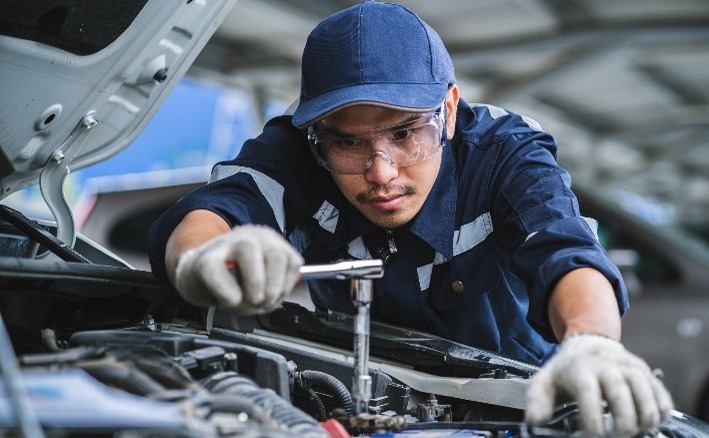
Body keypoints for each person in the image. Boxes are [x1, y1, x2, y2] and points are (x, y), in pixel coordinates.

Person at [147, 1, 672, 436]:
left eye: (404, 133)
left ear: (448, 108)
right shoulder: (297, 149)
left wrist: (592, 340)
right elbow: (218, 208)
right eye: (348, 141)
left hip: (517, 408)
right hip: (356, 400)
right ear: (317, 132)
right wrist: (201, 256)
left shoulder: (504, 152)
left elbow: (567, 249)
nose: (380, 173)